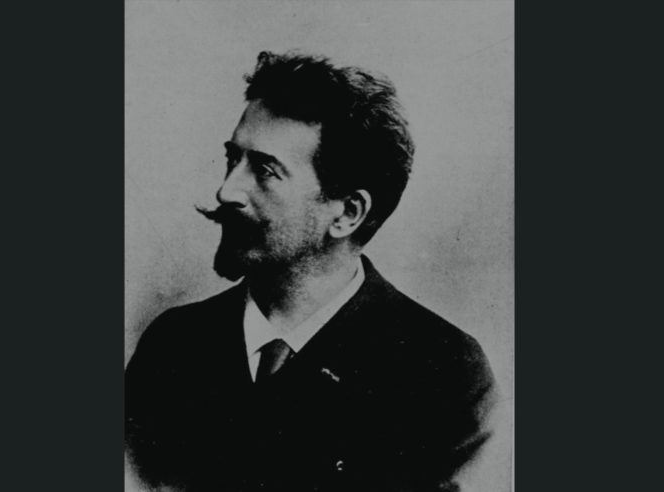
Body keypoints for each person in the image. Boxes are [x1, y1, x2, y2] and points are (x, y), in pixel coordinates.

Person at [125, 51, 497, 492]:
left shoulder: (443, 374)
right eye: (232, 159)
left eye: (265, 171)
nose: (227, 191)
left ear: (348, 214)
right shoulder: (173, 346)